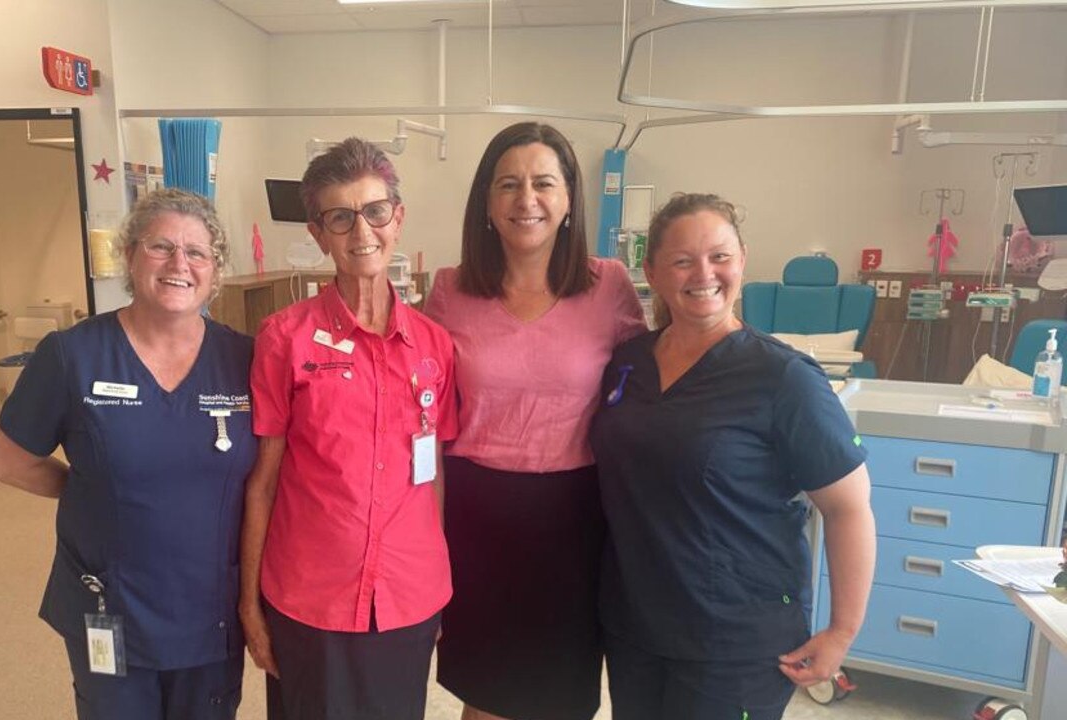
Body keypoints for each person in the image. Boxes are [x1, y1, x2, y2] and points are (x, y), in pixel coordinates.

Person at [589, 193, 876, 720]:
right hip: (636, 627)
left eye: (719, 256)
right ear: (651, 271)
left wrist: (841, 631)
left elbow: (848, 506)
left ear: (742, 258)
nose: (704, 273)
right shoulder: (627, 364)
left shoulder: (783, 377)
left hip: (736, 641)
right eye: (681, 260)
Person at [0, 188, 253, 720]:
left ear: (214, 270)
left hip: (210, 609)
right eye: (161, 246)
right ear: (130, 256)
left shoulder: (245, 359)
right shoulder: (72, 355)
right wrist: (93, 486)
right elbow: (7, 461)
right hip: (107, 603)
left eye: (197, 252)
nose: (180, 263)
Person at [424, 121, 646, 720]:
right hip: (475, 513)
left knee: (561, 694)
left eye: (544, 183)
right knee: (487, 693)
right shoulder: (449, 290)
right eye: (509, 184)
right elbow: (421, 408)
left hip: (575, 517)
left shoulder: (610, 286)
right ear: (487, 203)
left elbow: (648, 388)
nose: (527, 200)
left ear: (570, 197)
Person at [240, 138, 459, 720]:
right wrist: (249, 603)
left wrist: (434, 583)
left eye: (375, 211)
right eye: (340, 217)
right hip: (311, 597)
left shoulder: (435, 345)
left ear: (398, 218)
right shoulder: (284, 337)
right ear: (318, 233)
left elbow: (431, 472)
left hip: (408, 594)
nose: (362, 231)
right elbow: (262, 481)